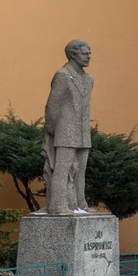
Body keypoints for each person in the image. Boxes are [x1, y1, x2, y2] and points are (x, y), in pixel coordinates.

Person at [41, 39, 94, 215]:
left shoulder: (88, 79)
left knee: (81, 169)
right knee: (62, 169)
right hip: (64, 129)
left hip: (83, 131)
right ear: (73, 54)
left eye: (89, 53)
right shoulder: (62, 75)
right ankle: (57, 204)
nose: (89, 57)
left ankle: (80, 204)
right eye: (85, 53)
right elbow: (52, 105)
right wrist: (52, 129)